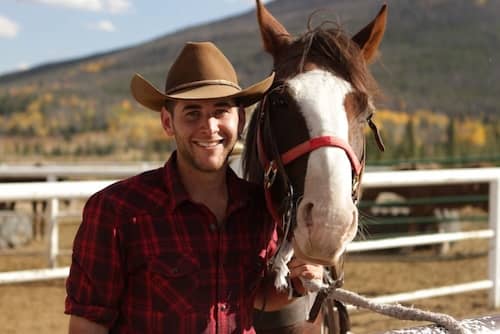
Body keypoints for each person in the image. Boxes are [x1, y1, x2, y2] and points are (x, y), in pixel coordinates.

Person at [65, 41, 323, 334]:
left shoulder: (258, 208)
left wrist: (297, 285)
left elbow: (256, 298)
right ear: (167, 122)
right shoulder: (116, 211)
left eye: (221, 110)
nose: (209, 126)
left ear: (240, 121)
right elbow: (88, 323)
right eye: (192, 113)